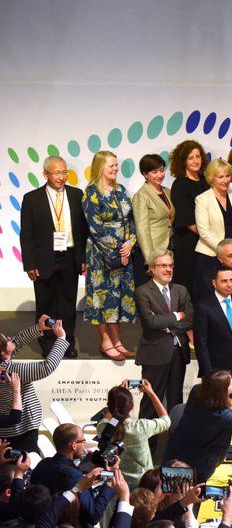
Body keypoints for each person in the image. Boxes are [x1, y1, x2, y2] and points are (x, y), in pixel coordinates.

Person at [22, 156, 87, 359]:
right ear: (45, 174)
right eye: (57, 173)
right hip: (43, 259)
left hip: (70, 255)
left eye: (64, 172)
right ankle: (48, 343)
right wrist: (29, 263)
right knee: (46, 303)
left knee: (68, 303)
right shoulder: (32, 198)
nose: (62, 177)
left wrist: (82, 256)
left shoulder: (77, 195)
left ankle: (66, 343)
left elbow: (83, 230)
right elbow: (26, 234)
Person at [163, 370, 232, 483]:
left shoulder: (196, 391)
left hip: (174, 453)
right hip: (195, 466)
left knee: (171, 492)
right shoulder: (221, 415)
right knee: (184, 494)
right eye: (230, 384)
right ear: (223, 391)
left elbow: (213, 391)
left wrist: (228, 387)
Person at [83, 151, 138, 361]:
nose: (115, 169)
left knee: (117, 297)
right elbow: (95, 228)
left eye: (116, 165)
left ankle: (117, 341)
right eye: (111, 166)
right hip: (100, 255)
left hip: (124, 252)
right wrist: (117, 250)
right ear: (100, 168)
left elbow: (131, 221)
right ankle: (105, 343)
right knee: (102, 298)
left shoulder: (122, 190)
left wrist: (130, 244)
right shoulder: (91, 193)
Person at [0, 318, 68, 455]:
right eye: (6, 340)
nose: (9, 338)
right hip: (22, 429)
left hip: (6, 430)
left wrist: (38, 328)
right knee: (27, 463)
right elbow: (46, 367)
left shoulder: (3, 364)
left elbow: (16, 342)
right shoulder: (12, 371)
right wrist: (61, 338)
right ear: (2, 353)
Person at [96, 382, 170, 486]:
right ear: (131, 406)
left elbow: (112, 419)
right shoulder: (141, 427)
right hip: (143, 485)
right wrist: (151, 393)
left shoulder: (104, 429)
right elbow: (166, 421)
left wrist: (116, 401)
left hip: (114, 488)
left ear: (110, 406)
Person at [193, 158, 232, 298]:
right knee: (209, 300)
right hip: (209, 256)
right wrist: (224, 252)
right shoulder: (202, 199)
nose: (225, 180)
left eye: (227, 176)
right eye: (220, 177)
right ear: (211, 178)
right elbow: (204, 231)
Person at [193, 265, 232, 378]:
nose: (229, 284)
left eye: (231, 280)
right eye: (224, 281)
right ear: (214, 283)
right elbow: (201, 344)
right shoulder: (204, 307)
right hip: (217, 371)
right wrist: (208, 372)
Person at [167, 140, 208, 291]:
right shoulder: (180, 184)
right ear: (182, 161)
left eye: (198, 156)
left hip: (207, 241)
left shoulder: (206, 181)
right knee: (188, 283)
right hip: (189, 243)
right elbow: (188, 220)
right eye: (190, 157)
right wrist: (210, 237)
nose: (195, 161)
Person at [130, 153, 173, 278]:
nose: (160, 175)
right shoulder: (141, 196)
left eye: (161, 170)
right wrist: (150, 259)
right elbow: (142, 229)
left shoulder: (167, 191)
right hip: (151, 252)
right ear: (145, 174)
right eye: (155, 172)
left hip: (167, 248)